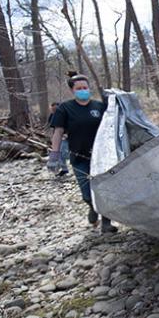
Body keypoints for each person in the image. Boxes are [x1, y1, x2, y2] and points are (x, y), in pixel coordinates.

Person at [48, 72, 118, 234]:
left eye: (85, 87)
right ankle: (93, 207)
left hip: (101, 157)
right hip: (79, 157)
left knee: (104, 190)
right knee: (87, 194)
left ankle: (106, 223)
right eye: (79, 88)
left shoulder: (99, 107)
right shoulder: (65, 108)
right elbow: (58, 132)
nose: (83, 90)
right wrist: (54, 155)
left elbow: (112, 127)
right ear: (72, 90)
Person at [47, 102, 69, 177]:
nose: (54, 111)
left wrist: (66, 134)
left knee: (63, 153)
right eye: (52, 109)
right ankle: (63, 169)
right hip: (58, 137)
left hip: (66, 137)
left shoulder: (65, 115)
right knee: (59, 154)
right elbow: (52, 128)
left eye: (55, 109)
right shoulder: (51, 116)